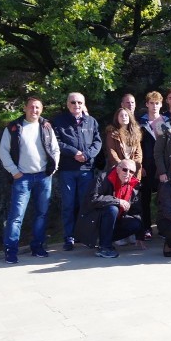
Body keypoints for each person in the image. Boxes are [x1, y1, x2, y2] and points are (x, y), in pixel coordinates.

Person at [0, 96, 60, 263]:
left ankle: (38, 247)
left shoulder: (46, 126)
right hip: (22, 178)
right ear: (25, 108)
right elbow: (3, 152)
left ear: (42, 110)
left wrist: (53, 168)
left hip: (43, 176)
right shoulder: (13, 127)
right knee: (16, 215)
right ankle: (11, 251)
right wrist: (14, 172)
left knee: (41, 214)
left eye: (38, 108)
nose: (35, 110)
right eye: (32, 107)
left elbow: (55, 149)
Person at [54, 92, 102, 251]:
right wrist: (74, 152)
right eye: (73, 102)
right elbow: (56, 142)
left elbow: (97, 142)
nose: (77, 105)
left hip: (86, 170)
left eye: (80, 102)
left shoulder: (91, 121)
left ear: (84, 104)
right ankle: (69, 237)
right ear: (68, 104)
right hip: (67, 170)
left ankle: (85, 236)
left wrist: (87, 155)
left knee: (86, 204)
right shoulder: (60, 121)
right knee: (68, 204)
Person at [79, 159, 144, 258]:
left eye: (131, 172)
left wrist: (140, 236)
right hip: (94, 221)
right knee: (113, 208)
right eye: (125, 170)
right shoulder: (103, 178)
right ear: (117, 169)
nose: (128, 173)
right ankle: (104, 247)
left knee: (136, 223)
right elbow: (93, 199)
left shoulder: (133, 185)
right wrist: (118, 201)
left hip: (116, 220)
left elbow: (136, 211)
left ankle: (105, 240)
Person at [138, 91, 165, 240]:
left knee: (163, 198)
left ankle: (162, 227)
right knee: (145, 199)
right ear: (147, 104)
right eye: (151, 103)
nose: (154, 106)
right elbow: (137, 145)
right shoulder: (141, 123)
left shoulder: (164, 121)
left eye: (157, 103)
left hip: (162, 165)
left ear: (161, 104)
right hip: (146, 165)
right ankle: (146, 227)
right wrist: (140, 165)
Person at [104, 107, 143, 178]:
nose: (124, 117)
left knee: (132, 189)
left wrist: (133, 166)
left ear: (129, 117)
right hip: (118, 169)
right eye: (121, 116)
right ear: (117, 118)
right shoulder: (112, 133)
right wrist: (122, 166)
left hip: (132, 170)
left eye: (126, 115)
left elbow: (138, 153)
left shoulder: (135, 133)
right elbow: (111, 151)